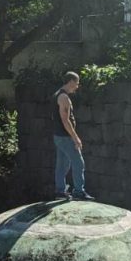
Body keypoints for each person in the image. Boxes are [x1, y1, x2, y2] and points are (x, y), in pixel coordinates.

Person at [52, 71, 94, 201]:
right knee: (78, 163)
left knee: (62, 164)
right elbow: (66, 120)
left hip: (59, 136)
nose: (77, 86)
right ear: (70, 81)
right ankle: (78, 192)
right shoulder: (64, 98)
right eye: (76, 83)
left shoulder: (57, 94)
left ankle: (60, 191)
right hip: (65, 137)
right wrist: (75, 138)